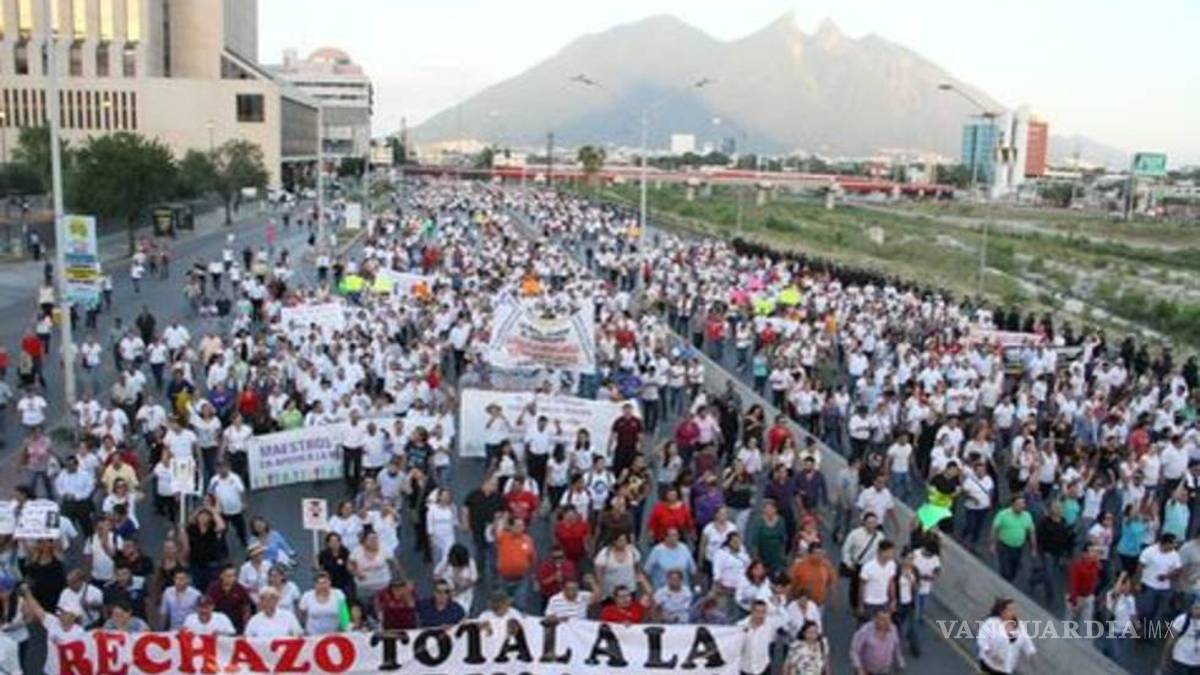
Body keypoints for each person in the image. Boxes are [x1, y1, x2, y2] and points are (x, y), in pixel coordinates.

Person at [976, 598, 1036, 674]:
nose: (1013, 612)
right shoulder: (991, 623)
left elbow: (1027, 643)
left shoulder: (1020, 626)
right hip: (989, 665)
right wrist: (990, 653)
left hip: (1006, 669)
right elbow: (982, 639)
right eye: (1010, 610)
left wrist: (1030, 654)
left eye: (1014, 609)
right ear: (1002, 612)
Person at [991, 495, 1037, 582]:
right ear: (1012, 504)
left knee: (1014, 569)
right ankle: (1003, 586)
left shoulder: (1027, 515)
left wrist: (1034, 548)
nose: (1022, 506)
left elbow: (1031, 532)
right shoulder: (1003, 514)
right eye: (1019, 504)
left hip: (1018, 548)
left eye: (1023, 504)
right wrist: (993, 543)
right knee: (1006, 570)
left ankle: (1007, 582)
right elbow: (995, 528)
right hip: (1004, 546)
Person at [849, 608, 905, 675]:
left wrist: (899, 661)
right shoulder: (865, 631)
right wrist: (859, 669)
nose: (886, 622)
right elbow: (854, 650)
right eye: (882, 619)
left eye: (888, 619)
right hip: (867, 670)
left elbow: (896, 646)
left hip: (885, 670)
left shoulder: (893, 629)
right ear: (875, 619)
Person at [738, 599, 782, 675]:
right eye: (758, 612)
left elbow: (785, 619)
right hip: (745, 668)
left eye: (763, 612)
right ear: (752, 611)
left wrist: (778, 605)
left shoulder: (771, 625)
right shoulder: (740, 625)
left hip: (763, 667)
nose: (760, 615)